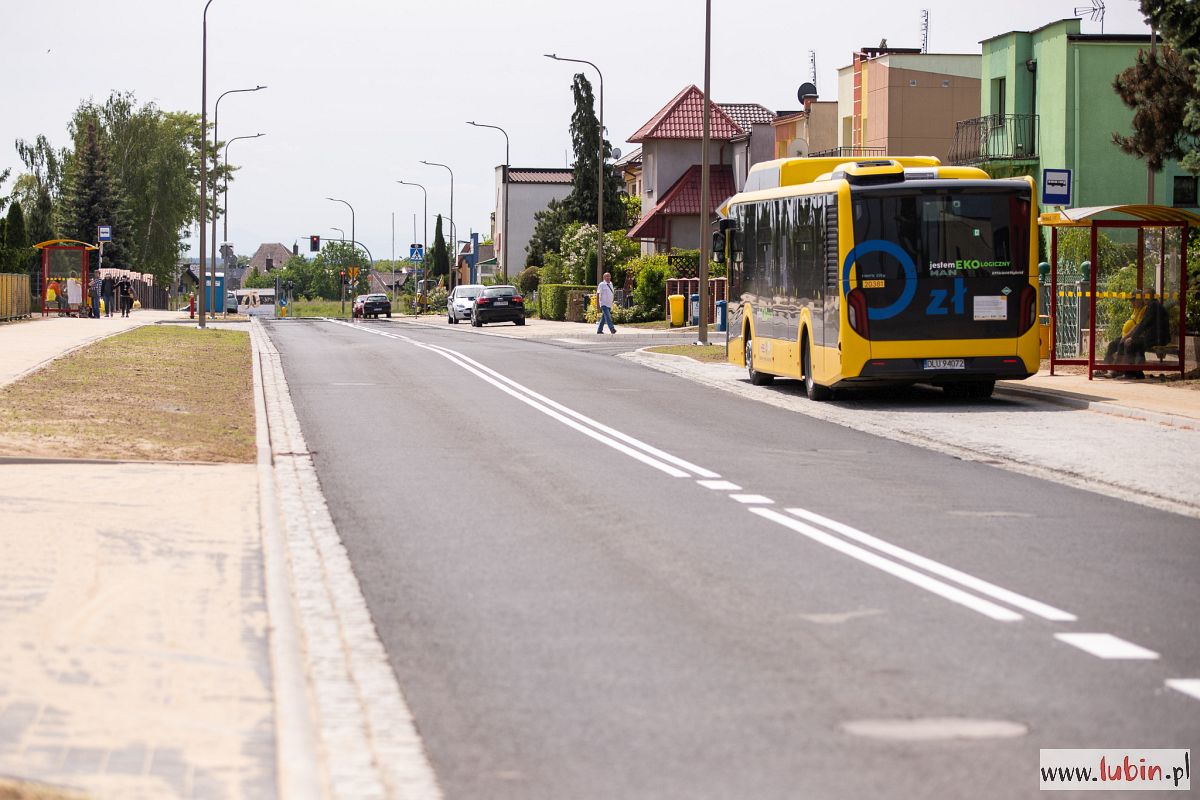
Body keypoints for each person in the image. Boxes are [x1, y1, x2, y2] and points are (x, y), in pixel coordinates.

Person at [1098, 292, 1170, 379]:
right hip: (1147, 337)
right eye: (1143, 296)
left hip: (1155, 338)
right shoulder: (1145, 307)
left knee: (1128, 344)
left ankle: (1123, 371)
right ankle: (1111, 369)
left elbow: (1142, 325)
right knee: (1115, 344)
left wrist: (1131, 337)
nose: (1132, 302)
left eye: (1134, 299)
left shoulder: (1152, 306)